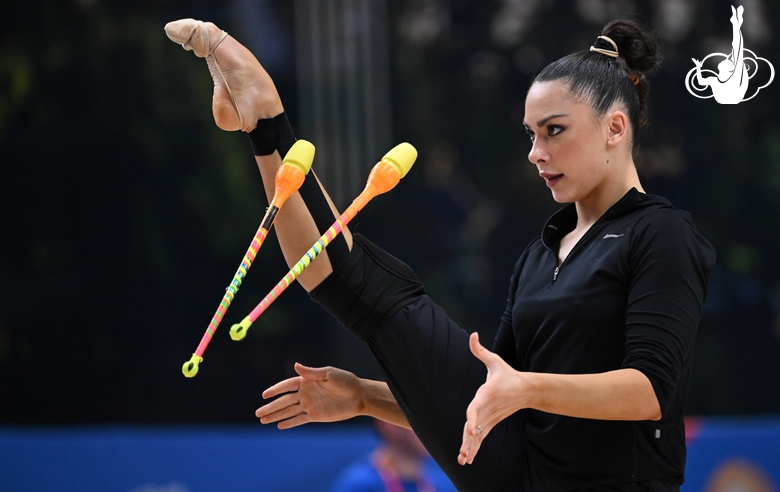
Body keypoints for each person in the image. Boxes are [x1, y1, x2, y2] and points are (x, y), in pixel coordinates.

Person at [164, 16, 715, 491]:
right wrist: (364, 398)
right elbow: (483, 402)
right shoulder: (542, 253)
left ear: (615, 127)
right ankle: (264, 125)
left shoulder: (660, 233)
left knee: (372, 293)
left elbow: (651, 390)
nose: (536, 153)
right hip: (519, 470)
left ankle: (265, 115)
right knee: (346, 284)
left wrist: (526, 388)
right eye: (530, 135)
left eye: (554, 132)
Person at [330, 418, 457, 492]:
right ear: (388, 423)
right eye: (420, 420)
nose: (431, 431)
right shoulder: (359, 485)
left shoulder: (443, 484)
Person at [691, 5, 749, 104]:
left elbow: (737, 48)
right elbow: (700, 82)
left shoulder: (733, 79)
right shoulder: (715, 80)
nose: (724, 60)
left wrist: (736, 25)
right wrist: (698, 67)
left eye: (725, 62)